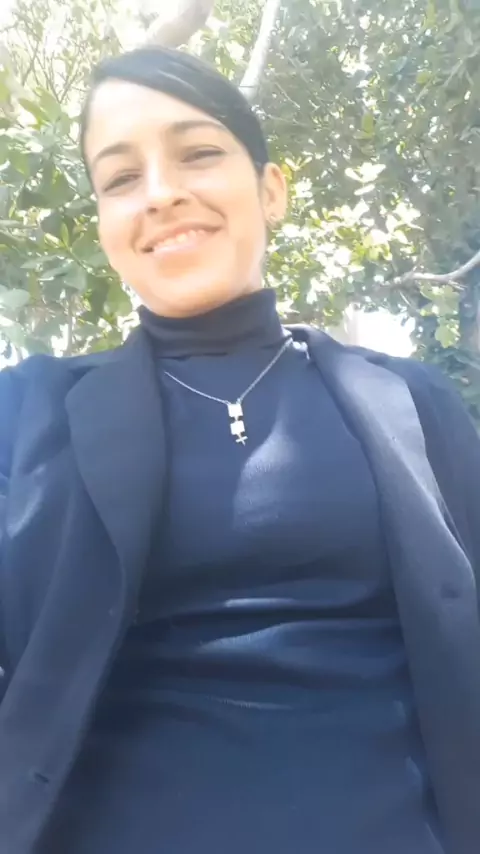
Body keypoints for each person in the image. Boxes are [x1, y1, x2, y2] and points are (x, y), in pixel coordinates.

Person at [0, 46, 480, 854]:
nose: (160, 193)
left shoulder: (409, 402)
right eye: (121, 177)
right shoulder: (26, 412)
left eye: (198, 153)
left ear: (271, 190)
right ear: (105, 224)